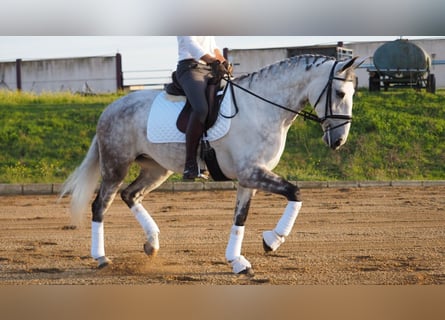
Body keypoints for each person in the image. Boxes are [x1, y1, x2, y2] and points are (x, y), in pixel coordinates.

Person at [176, 36, 228, 180]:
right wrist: (212, 60)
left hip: (211, 69)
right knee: (201, 109)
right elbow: (191, 44)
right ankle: (190, 164)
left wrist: (223, 61)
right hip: (190, 68)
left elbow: (214, 48)